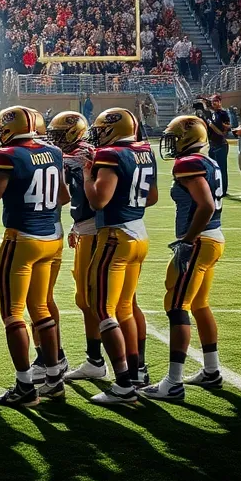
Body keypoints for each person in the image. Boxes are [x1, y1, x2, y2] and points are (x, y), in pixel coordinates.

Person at [0, 107, 69, 407]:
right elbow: (63, 196)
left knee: (13, 313)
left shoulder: (6, 156)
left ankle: (25, 386)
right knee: (40, 308)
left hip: (22, 239)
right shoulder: (53, 152)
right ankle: (54, 379)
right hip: (52, 238)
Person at [142, 116, 227, 402]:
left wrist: (188, 241)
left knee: (177, 305)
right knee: (199, 304)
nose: (170, 143)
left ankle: (173, 383)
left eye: (174, 137)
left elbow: (206, 205)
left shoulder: (187, 163)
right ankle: (212, 371)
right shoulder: (209, 161)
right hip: (213, 239)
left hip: (200, 241)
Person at [83, 107, 158, 406]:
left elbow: (99, 199)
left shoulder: (111, 156)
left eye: (101, 130)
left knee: (103, 309)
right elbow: (151, 198)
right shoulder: (143, 152)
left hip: (115, 236)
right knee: (125, 307)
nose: (98, 135)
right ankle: (136, 372)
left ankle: (124, 384)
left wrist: (88, 176)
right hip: (139, 233)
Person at [46, 112, 106, 383]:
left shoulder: (83, 152)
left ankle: (99, 361)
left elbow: (77, 166)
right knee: (86, 298)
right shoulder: (75, 153)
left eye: (58, 134)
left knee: (89, 298)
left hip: (95, 229)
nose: (54, 139)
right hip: (85, 226)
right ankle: (96, 359)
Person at [206, 95, 232, 192]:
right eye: (213, 101)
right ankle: (214, 187)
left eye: (216, 101)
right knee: (212, 168)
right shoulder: (213, 113)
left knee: (221, 168)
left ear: (220, 102)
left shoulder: (223, 113)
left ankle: (223, 189)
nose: (214, 103)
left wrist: (216, 127)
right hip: (212, 143)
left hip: (220, 144)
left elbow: (228, 127)